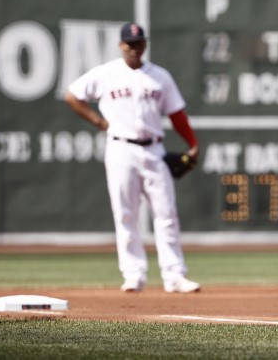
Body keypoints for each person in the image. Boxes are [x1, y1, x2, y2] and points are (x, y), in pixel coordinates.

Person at [64, 22, 201, 293]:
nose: (135, 48)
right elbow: (72, 95)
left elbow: (176, 113)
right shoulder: (106, 73)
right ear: (120, 45)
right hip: (120, 148)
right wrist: (99, 122)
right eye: (130, 44)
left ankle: (174, 275)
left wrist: (192, 142)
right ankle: (133, 274)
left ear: (145, 45)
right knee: (126, 213)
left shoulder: (160, 76)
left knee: (166, 213)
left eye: (139, 44)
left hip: (154, 149)